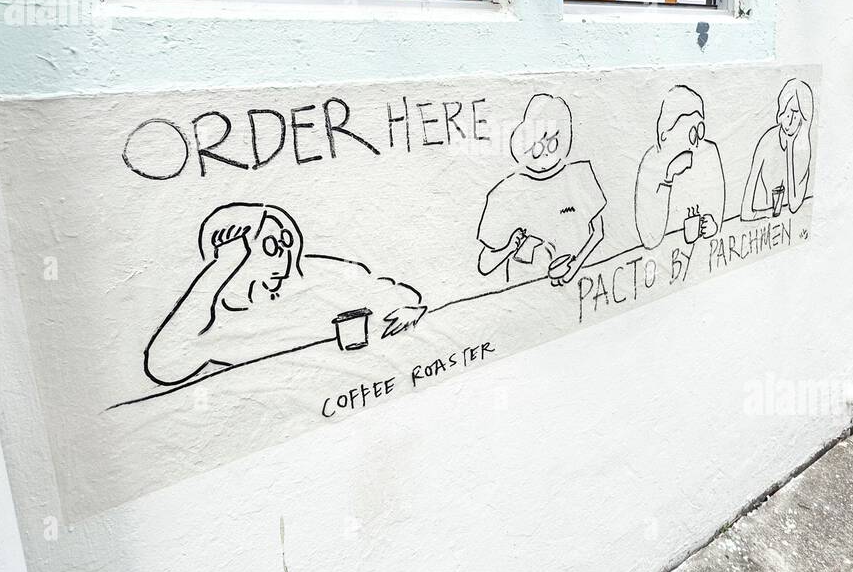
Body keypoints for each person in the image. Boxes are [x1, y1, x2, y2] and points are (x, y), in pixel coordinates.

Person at [143, 203, 425, 387]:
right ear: (234, 254)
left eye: (286, 244)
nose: (285, 259)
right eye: (269, 247)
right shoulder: (212, 321)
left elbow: (385, 289)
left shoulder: (313, 274)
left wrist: (408, 307)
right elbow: (164, 366)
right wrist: (222, 265)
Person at [477, 94, 606, 286]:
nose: (546, 152)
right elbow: (484, 265)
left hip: (575, 285)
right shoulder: (506, 192)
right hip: (524, 291)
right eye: (537, 147)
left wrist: (575, 267)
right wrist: (508, 248)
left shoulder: (579, 175)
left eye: (553, 142)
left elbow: (598, 232)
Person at [634, 85, 725, 249]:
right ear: (665, 135)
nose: (696, 140)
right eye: (690, 132)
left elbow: (716, 207)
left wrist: (713, 224)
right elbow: (650, 239)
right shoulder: (651, 162)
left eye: (700, 129)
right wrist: (667, 178)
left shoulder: (709, 152)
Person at [741, 79, 814, 221]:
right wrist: (766, 213)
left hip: (788, 226)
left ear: (803, 118)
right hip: (767, 226)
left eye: (796, 114)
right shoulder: (767, 140)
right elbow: (745, 212)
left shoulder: (803, 150)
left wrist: (790, 149)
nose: (790, 120)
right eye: (787, 112)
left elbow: (794, 205)